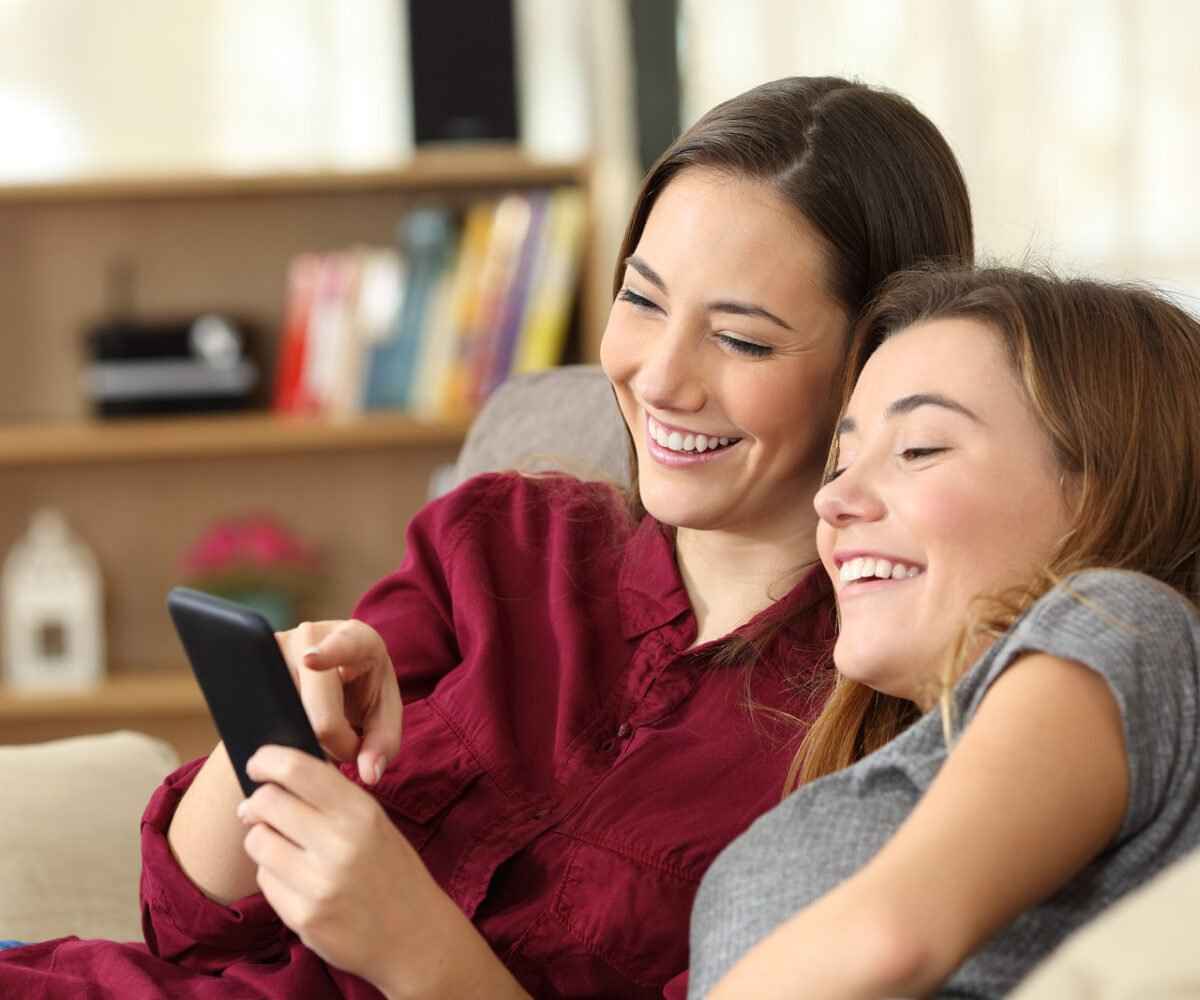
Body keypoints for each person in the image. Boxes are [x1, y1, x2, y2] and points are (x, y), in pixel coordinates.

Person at [0, 76, 972, 999]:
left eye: (743, 338)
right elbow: (190, 926)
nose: (660, 376)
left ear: (877, 365)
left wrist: (415, 945)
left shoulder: (873, 732)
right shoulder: (503, 538)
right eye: (640, 298)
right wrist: (265, 733)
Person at [687, 265, 1200, 999]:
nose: (832, 498)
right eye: (842, 459)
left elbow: (890, 940)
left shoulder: (1122, 623)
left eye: (919, 449)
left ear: (1102, 489)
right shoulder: (918, 754)